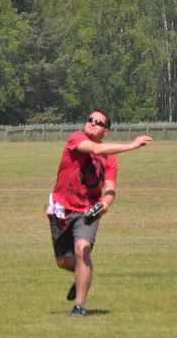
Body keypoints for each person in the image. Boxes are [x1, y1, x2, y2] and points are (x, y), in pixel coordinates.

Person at [46, 110, 152, 316]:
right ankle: (81, 276)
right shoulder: (76, 138)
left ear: (106, 131)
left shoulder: (110, 159)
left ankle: (80, 306)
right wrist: (131, 146)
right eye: (90, 119)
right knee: (63, 261)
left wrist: (105, 203)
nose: (92, 123)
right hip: (62, 208)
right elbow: (95, 149)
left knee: (82, 249)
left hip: (88, 210)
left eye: (99, 122)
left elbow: (110, 188)